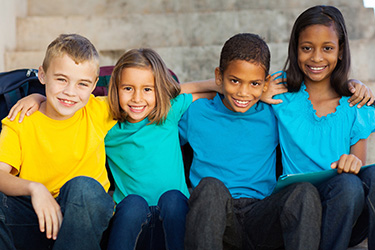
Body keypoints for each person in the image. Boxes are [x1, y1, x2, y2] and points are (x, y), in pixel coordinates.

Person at [179, 33, 322, 250]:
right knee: (210, 188)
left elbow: (322, 93)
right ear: (219, 77)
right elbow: (161, 96)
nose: (243, 92)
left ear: (265, 84)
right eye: (234, 81)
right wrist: (210, 85)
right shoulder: (196, 112)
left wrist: (351, 85)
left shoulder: (273, 112)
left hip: (261, 214)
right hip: (216, 217)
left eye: (254, 83)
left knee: (304, 192)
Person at [263, 5, 375, 250]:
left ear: (341, 50)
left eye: (327, 48)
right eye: (307, 48)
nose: (316, 58)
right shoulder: (280, 94)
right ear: (295, 49)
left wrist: (353, 163)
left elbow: (358, 166)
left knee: (361, 179)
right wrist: (259, 93)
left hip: (344, 209)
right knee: (346, 185)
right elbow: (236, 90)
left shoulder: (356, 104)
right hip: (297, 207)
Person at [0, 34, 116, 250]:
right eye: (61, 79)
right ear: (42, 75)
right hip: (37, 219)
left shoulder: (98, 110)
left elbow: (152, 92)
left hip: (86, 221)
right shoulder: (20, 119)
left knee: (84, 187)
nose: (70, 92)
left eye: (82, 83)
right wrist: (35, 189)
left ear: (94, 86)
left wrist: (201, 86)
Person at [104, 48, 218, 250]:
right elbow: (73, 103)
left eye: (148, 89)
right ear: (116, 89)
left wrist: (222, 85)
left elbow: (212, 93)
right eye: (128, 88)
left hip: (172, 223)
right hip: (131, 225)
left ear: (161, 90)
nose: (137, 98)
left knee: (173, 198)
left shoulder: (168, 114)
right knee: (133, 204)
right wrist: (37, 98)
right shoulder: (105, 124)